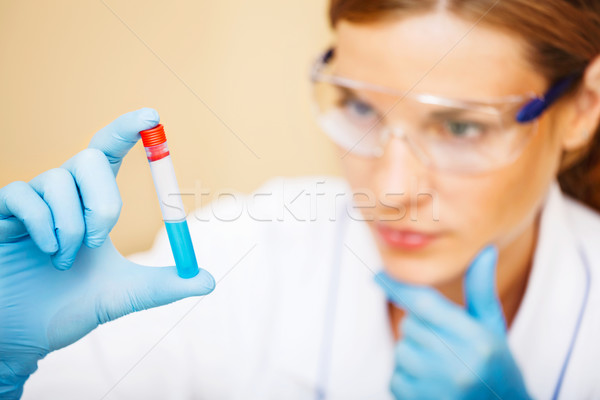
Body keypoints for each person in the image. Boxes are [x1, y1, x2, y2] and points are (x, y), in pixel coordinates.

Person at [2, 0, 600, 399]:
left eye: (462, 127)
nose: (390, 192)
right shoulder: (236, 251)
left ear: (581, 109)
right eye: (362, 108)